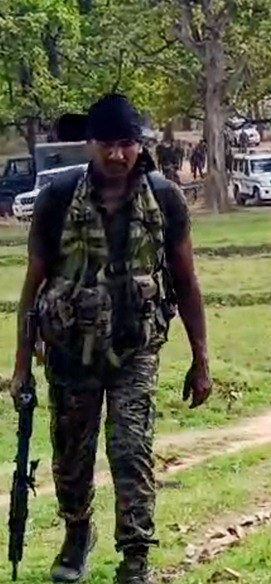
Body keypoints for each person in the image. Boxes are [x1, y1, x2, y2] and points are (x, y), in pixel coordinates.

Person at [10, 93, 212, 584]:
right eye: (107, 145)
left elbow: (186, 282)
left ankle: (136, 555)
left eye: (127, 144)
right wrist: (19, 366)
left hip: (135, 347)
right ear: (89, 145)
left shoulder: (164, 197)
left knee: (131, 446)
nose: (118, 155)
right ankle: (78, 533)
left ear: (139, 146)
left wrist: (201, 360)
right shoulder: (57, 199)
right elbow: (31, 288)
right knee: (71, 453)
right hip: (68, 349)